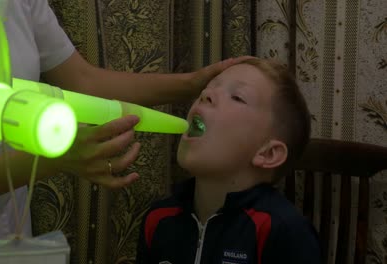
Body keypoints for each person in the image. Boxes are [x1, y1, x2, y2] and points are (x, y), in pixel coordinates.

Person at [0, 0, 249, 240]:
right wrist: (54, 157)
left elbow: (82, 81)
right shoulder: (162, 225)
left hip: (7, 234)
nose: (209, 97)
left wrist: (192, 84)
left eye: (237, 97)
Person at [135, 58, 322, 264]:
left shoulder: (285, 232)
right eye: (207, 88)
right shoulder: (158, 219)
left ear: (268, 154)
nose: (205, 95)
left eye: (237, 97)